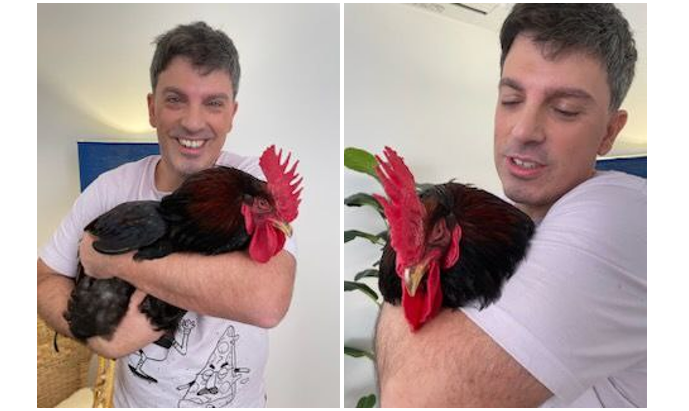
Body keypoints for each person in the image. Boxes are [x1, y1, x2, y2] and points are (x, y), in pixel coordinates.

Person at [375, 4, 645, 407]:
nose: (523, 131)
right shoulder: (516, 217)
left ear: (609, 132)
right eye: (511, 98)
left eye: (564, 109)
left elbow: (413, 398)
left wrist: (402, 274)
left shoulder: (621, 214)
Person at [37, 21, 297, 408]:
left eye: (213, 102)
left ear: (231, 114)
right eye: (176, 99)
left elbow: (267, 301)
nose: (193, 122)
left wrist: (111, 259)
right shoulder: (111, 189)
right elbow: (43, 278)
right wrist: (95, 330)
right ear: (151, 107)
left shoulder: (253, 184)